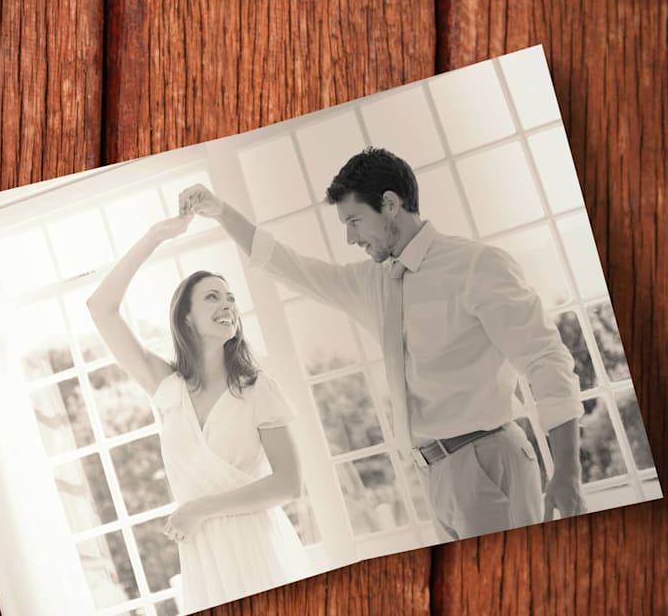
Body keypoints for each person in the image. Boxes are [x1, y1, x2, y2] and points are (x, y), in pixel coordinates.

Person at [178, 146, 585, 541]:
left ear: (390, 204)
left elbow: (545, 358)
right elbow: (291, 267)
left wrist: (567, 469)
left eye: (355, 221)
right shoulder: (374, 283)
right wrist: (221, 213)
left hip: (487, 459)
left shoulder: (476, 265)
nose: (352, 239)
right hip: (436, 475)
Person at [86, 213, 309, 612]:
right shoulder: (165, 386)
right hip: (204, 556)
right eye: (212, 297)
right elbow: (101, 308)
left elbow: (289, 485)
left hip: (256, 544)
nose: (227, 305)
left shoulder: (257, 388)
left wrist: (200, 509)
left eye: (230, 299)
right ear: (186, 317)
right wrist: (153, 236)